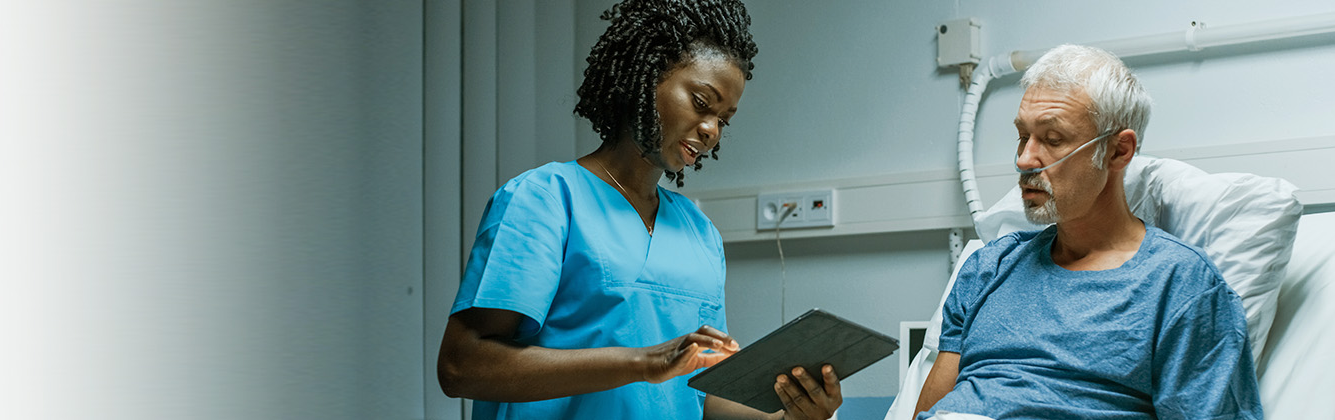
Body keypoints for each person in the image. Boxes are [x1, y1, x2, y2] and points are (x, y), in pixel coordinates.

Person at [437, 1, 842, 419]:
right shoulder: (544, 199)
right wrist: (644, 363)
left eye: (724, 119)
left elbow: (699, 396)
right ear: (646, 80)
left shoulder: (699, 233)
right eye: (702, 102)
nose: (711, 130)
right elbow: (461, 366)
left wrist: (792, 414)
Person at [913, 45, 1263, 420]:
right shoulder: (990, 268)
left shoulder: (1179, 284)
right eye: (1022, 136)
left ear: (1118, 151)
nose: (1024, 160)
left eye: (1052, 139)